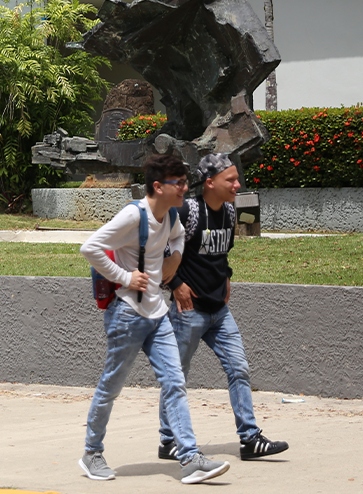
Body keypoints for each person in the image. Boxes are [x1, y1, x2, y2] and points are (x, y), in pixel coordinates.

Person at [78, 154, 231, 485]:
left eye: (186, 182)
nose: (185, 189)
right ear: (158, 187)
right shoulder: (134, 215)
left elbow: (176, 236)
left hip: (157, 314)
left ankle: (189, 459)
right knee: (112, 385)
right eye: (179, 183)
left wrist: (174, 259)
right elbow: (89, 247)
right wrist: (125, 276)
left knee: (174, 382)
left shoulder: (171, 215)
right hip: (126, 315)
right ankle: (92, 452)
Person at [158, 153, 289, 461]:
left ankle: (249, 439)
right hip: (189, 311)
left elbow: (222, 254)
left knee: (239, 369)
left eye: (236, 178)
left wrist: (226, 277)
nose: (237, 184)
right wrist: (175, 285)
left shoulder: (230, 213)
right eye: (230, 179)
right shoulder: (188, 212)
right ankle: (168, 440)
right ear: (210, 182)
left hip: (219, 311)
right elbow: (162, 252)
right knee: (176, 376)